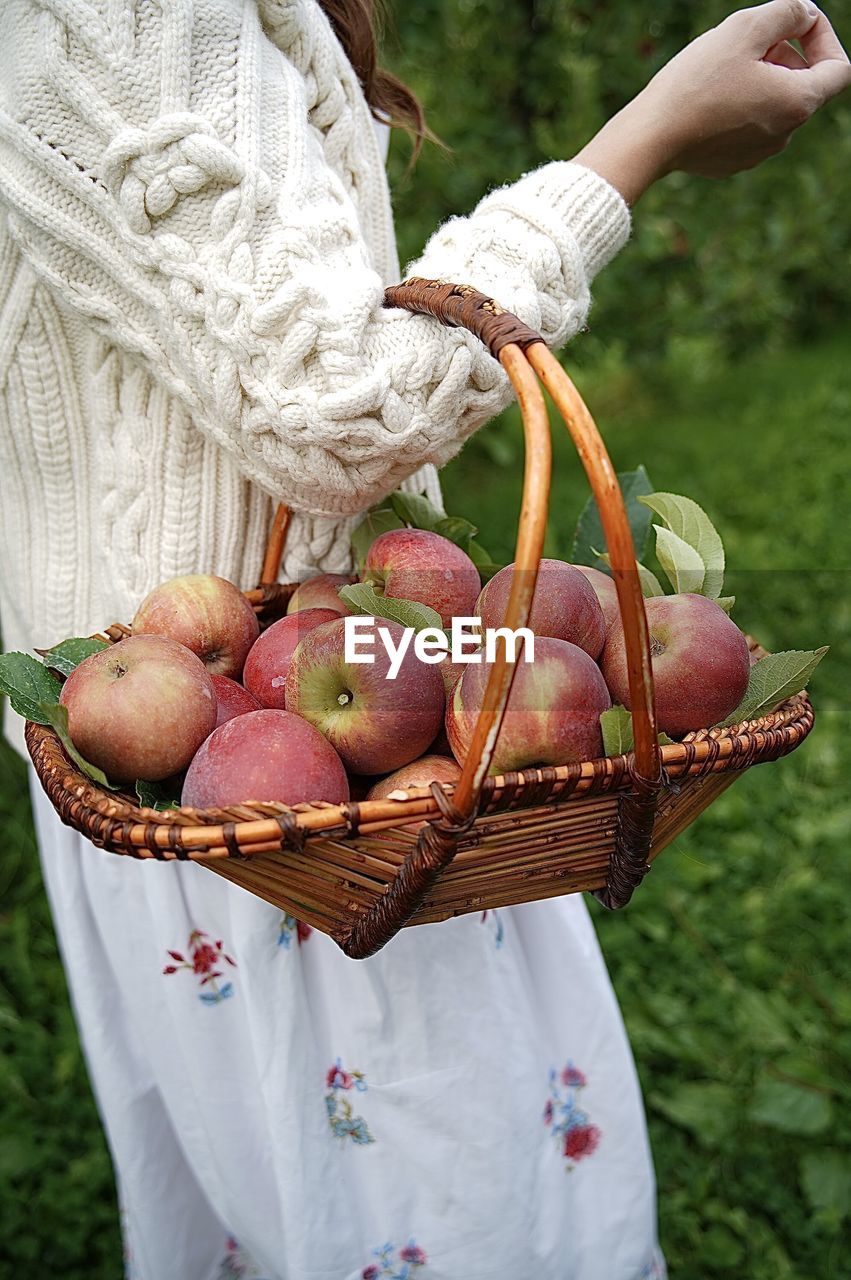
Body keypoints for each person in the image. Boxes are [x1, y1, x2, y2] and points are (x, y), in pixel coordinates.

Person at [0, 1, 848, 1276]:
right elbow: (340, 407)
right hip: (261, 806)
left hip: (341, 721)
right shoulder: (131, 12)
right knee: (446, 1193)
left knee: (306, 1190)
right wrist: (645, 136)